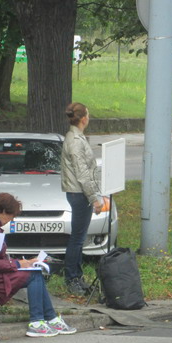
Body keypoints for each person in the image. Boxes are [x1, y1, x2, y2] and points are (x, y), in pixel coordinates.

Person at [0, 193, 77, 337]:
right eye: (12, 216)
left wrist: (25, 263)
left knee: (34, 272)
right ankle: (38, 321)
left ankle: (50, 317)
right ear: (4, 211)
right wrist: (18, 263)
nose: (11, 220)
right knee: (33, 275)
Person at [61, 102, 103, 295]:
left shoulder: (76, 137)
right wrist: (94, 197)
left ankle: (76, 275)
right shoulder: (75, 141)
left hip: (78, 192)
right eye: (88, 113)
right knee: (77, 239)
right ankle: (72, 278)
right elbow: (82, 173)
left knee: (79, 237)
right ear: (84, 118)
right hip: (79, 193)